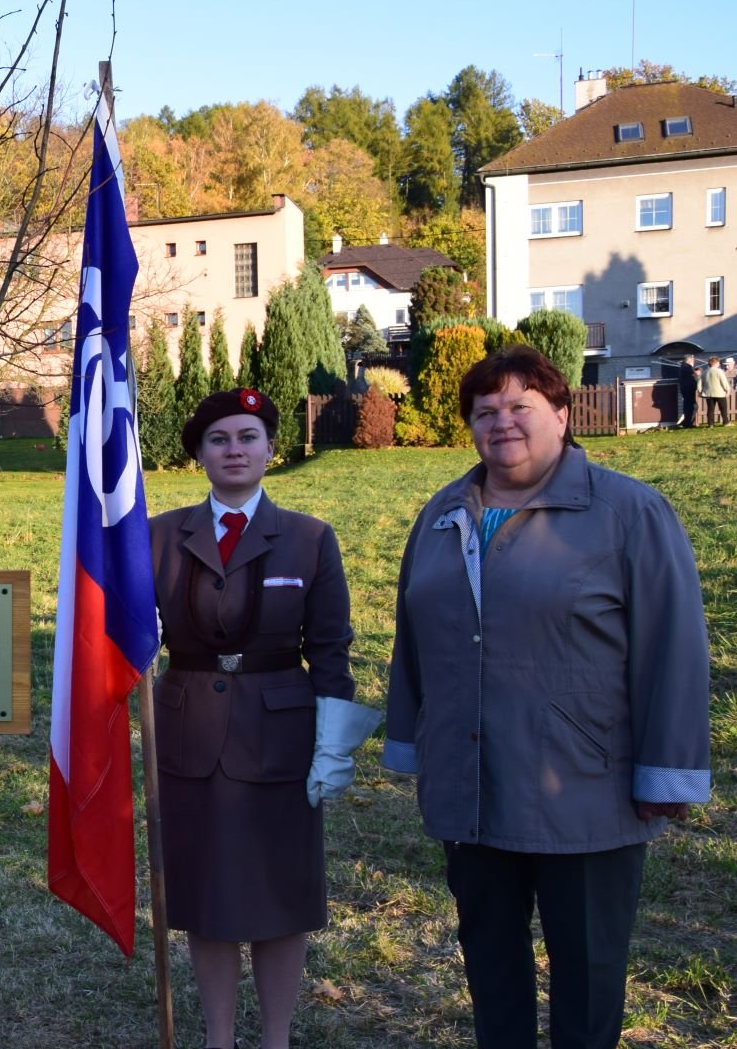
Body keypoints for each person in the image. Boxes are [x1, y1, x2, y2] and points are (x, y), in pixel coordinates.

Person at [383, 346, 711, 1049]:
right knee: (491, 971)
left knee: (587, 976)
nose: (501, 422)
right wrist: (412, 743)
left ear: (561, 416)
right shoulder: (442, 513)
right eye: (484, 410)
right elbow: (411, 637)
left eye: (519, 406)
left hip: (584, 791)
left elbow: (672, 647)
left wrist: (666, 770)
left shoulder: (627, 512)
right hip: (471, 789)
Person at [147, 388, 378, 1049]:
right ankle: (218, 1038)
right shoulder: (159, 535)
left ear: (271, 449)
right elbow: (127, 637)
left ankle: (275, 1038)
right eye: (218, 439)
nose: (234, 450)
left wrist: (334, 745)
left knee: (281, 898)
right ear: (198, 454)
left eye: (248, 436)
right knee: (206, 898)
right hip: (188, 735)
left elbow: (329, 649)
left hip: (280, 737)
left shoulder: (307, 539)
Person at [700, 355, 731, 425]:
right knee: (723, 408)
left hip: (708, 393)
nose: (719, 364)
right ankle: (726, 422)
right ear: (716, 363)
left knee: (710, 409)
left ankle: (710, 424)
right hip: (719, 393)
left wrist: (700, 391)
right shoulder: (719, 371)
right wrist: (728, 389)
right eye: (719, 363)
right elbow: (724, 381)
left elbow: (699, 382)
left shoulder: (705, 372)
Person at [675, 356, 699, 428]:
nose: (694, 362)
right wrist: (697, 374)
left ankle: (686, 422)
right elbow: (694, 377)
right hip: (689, 390)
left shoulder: (683, 367)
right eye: (693, 360)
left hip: (685, 390)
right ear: (689, 360)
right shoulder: (688, 368)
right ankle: (688, 423)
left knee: (688, 406)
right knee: (692, 406)